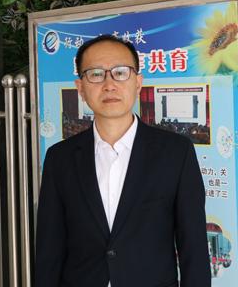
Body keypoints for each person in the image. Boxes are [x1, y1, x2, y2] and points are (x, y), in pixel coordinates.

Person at [35, 35, 210, 287]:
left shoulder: (176, 152)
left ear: (138, 83)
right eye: (96, 74)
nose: (109, 84)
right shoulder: (60, 158)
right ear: (80, 88)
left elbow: (193, 247)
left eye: (120, 73)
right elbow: (49, 250)